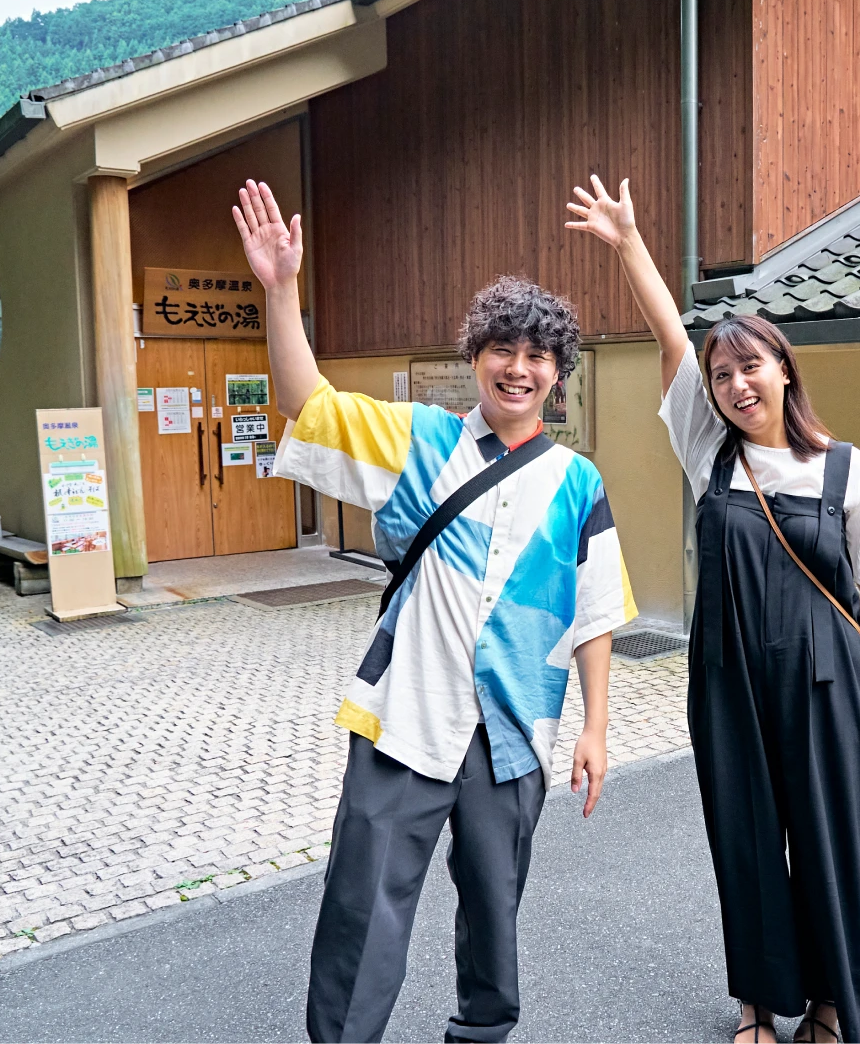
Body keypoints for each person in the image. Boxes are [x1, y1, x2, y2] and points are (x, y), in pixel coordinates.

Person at [234, 179, 636, 1044]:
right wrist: (280, 291)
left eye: (537, 355)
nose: (518, 367)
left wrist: (596, 727)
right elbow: (310, 404)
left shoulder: (579, 483)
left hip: (514, 730)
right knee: (362, 904)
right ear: (476, 357)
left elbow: (596, 611)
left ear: (557, 375)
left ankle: (482, 1033)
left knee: (495, 906)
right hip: (403, 720)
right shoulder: (418, 440)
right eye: (502, 349)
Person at [567, 176, 860, 1044]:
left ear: (784, 370)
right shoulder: (708, 455)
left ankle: (834, 1004)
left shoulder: (844, 468)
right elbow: (668, 333)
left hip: (829, 678)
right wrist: (629, 245)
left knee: (833, 841)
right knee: (746, 838)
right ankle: (757, 1008)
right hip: (729, 677)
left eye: (750, 366)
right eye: (722, 373)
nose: (735, 383)